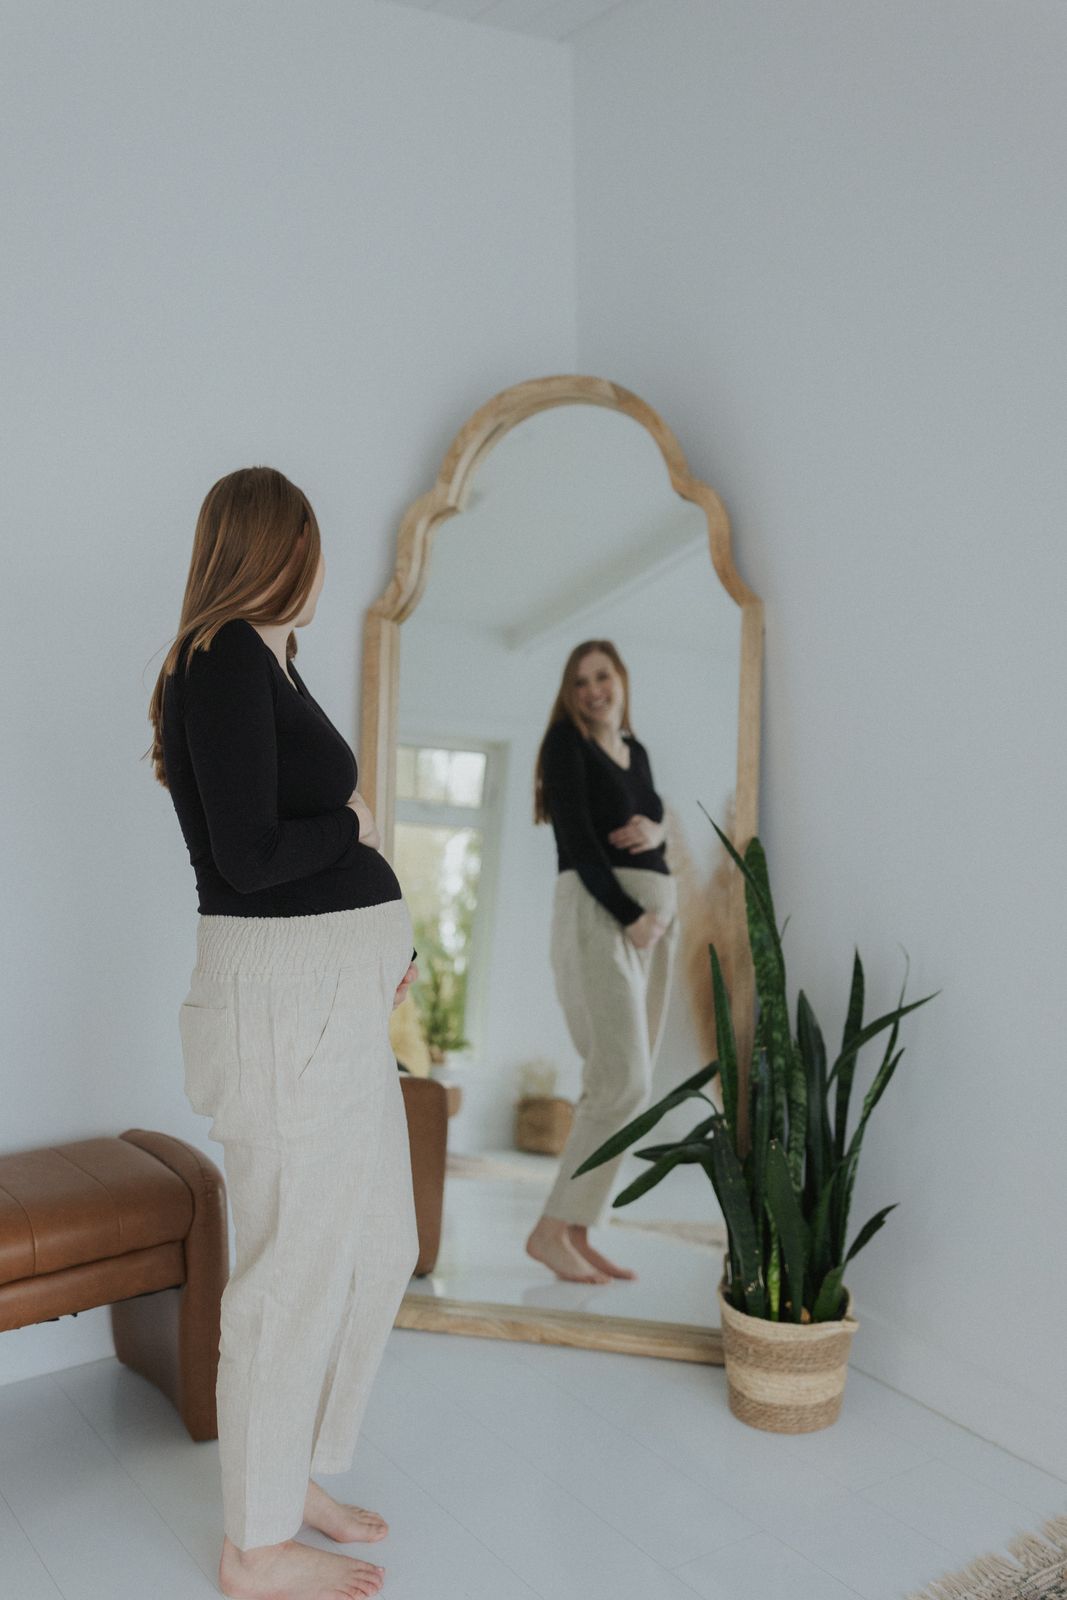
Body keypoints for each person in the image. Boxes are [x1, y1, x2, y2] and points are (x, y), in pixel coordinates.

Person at [147, 466, 418, 1600]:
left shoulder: (268, 661)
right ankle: (253, 1546)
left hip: (331, 998)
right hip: (280, 1007)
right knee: (288, 1275)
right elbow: (251, 860)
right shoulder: (219, 661)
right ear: (271, 549)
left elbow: (293, 860)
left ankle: (289, 1471)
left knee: (380, 1243)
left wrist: (376, 949)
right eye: (307, 544)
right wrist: (354, 824)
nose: (318, 565)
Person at [526, 640, 679, 1286]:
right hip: (603, 917)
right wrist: (631, 914)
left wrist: (660, 832)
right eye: (580, 681)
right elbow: (581, 844)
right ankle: (549, 1229)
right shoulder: (567, 745)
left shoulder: (634, 750)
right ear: (569, 692)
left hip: (649, 929)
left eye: (602, 676)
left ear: (621, 680)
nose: (593, 690)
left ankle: (578, 1231)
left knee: (617, 1086)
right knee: (623, 1081)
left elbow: (652, 814)